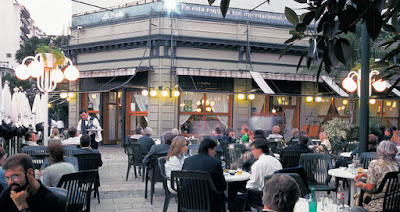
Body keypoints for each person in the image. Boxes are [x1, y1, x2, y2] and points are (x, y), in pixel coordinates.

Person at [350, 141, 400, 212]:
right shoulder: (397, 164)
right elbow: (383, 179)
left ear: (380, 150)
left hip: (378, 206)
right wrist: (365, 175)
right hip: (394, 204)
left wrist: (362, 185)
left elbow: (370, 187)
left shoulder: (375, 164)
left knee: (355, 209)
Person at [182, 138, 226, 212]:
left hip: (188, 200)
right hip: (208, 202)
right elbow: (222, 186)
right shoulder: (215, 163)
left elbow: (182, 180)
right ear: (209, 149)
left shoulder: (188, 160)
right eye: (214, 150)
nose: (215, 153)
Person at [246, 140, 282, 205]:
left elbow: (252, 185)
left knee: (237, 199)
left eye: (253, 149)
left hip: (263, 197)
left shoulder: (257, 164)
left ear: (259, 150)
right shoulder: (276, 161)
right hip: (278, 195)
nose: (252, 152)